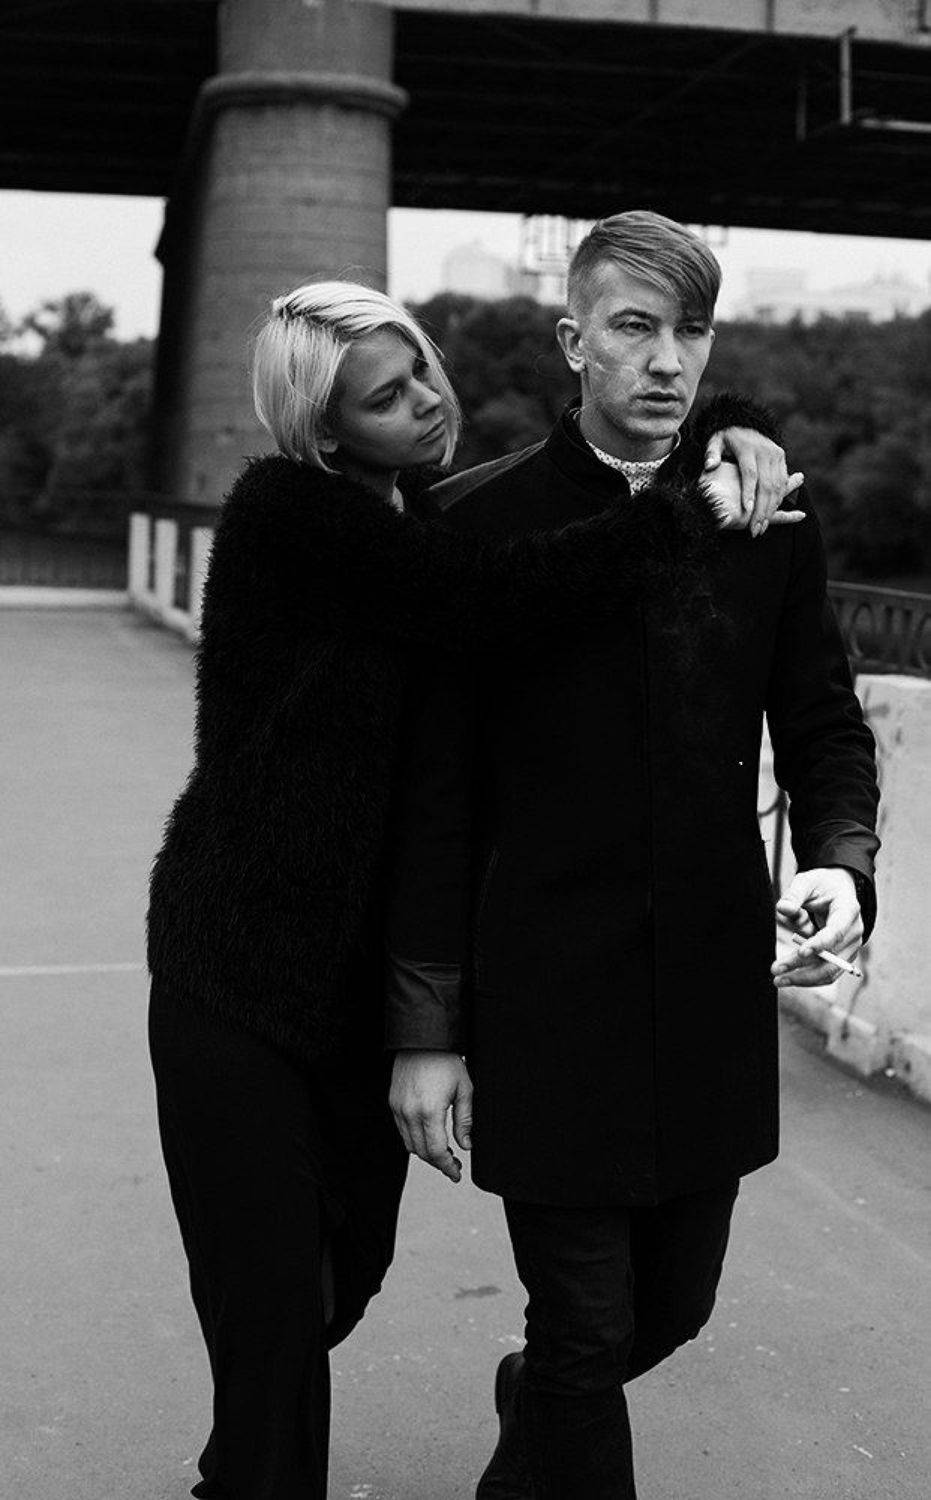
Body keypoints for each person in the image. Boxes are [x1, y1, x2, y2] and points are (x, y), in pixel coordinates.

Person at [146, 277, 796, 1500]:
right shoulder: (292, 516)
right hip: (236, 970)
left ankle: (259, 1431)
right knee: (275, 1311)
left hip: (356, 990)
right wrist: (685, 504)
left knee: (344, 1278)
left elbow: (540, 528)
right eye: (385, 400)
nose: (426, 404)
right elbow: (498, 598)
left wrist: (729, 425)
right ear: (323, 429)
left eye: (423, 373)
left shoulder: (423, 514)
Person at [386, 213, 881, 1499]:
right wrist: (426, 1029)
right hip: (543, 993)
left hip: (707, 991)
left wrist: (839, 861)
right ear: (573, 342)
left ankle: (541, 1400)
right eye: (634, 327)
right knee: (584, 1329)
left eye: (692, 331)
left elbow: (823, 725)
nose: (668, 360)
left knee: (667, 1312)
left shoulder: (765, 516)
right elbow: (434, 799)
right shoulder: (474, 523)